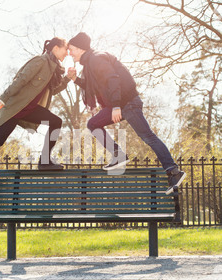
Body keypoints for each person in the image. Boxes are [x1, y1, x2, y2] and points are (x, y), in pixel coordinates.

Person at [67, 32, 186, 195]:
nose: (69, 53)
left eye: (71, 49)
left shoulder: (96, 58)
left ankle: (173, 172)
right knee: (93, 124)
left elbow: (113, 78)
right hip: (120, 104)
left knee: (148, 137)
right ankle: (118, 155)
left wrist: (116, 106)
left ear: (80, 48)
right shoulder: (89, 65)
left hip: (127, 103)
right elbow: (92, 86)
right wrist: (75, 79)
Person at [0, 37, 70, 192]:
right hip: (14, 109)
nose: (67, 53)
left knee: (55, 121)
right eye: (65, 49)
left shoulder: (53, 68)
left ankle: (44, 161)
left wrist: (68, 79)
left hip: (29, 110)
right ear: (56, 48)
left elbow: (52, 91)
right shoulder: (40, 61)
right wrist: (3, 98)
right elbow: (21, 80)